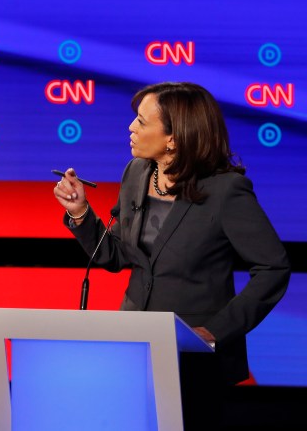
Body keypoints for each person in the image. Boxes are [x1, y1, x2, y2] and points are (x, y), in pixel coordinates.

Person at [53, 81, 290, 429]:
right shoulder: (136, 173)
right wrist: (80, 213)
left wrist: (214, 330)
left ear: (174, 138)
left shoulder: (225, 191)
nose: (131, 128)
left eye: (141, 121)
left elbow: (273, 268)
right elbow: (116, 256)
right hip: (135, 348)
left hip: (194, 359)